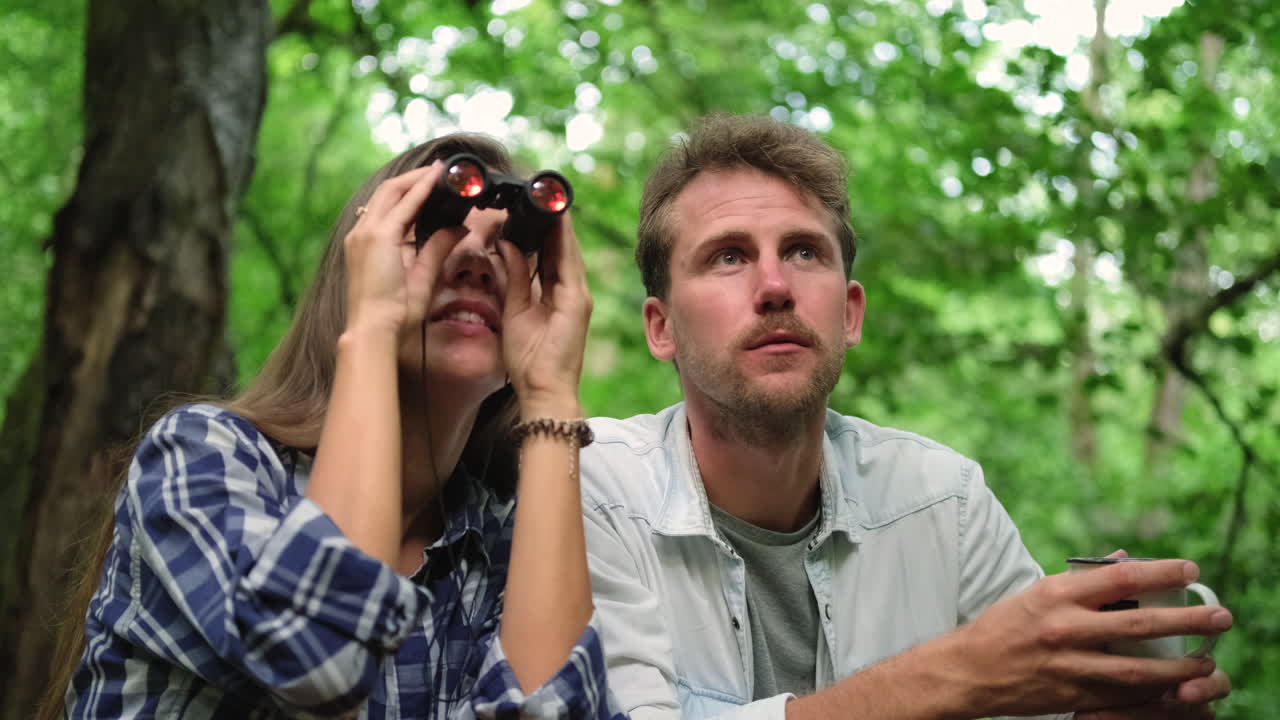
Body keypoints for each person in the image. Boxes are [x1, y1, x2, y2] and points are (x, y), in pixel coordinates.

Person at [578, 114, 1233, 720]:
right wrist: (956, 675)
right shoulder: (592, 490)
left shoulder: (945, 502)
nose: (775, 287)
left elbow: (1046, 699)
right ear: (661, 328)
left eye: (804, 252)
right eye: (728, 256)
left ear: (850, 314)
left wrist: (1118, 705)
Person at [42, 133, 619, 719]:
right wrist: (373, 324)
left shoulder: (500, 540)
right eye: (438, 236)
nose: (474, 262)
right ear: (362, 268)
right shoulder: (204, 458)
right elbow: (319, 662)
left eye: (505, 246)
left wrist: (550, 392)